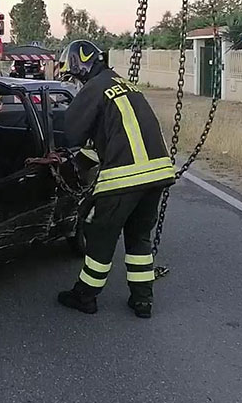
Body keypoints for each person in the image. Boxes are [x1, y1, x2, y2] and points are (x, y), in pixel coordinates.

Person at [55, 39, 176, 318]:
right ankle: (142, 300)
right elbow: (107, 141)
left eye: (73, 77)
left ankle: (85, 296)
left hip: (125, 178)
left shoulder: (94, 88)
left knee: (100, 234)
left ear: (80, 64)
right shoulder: (125, 85)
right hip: (157, 174)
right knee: (138, 238)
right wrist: (79, 163)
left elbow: (71, 133)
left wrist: (62, 160)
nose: (75, 82)